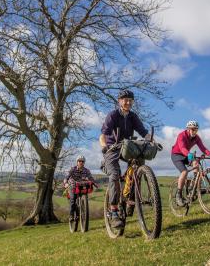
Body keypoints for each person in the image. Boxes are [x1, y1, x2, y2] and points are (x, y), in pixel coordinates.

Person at [99, 89, 148, 228]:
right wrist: (104, 147)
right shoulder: (113, 115)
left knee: (138, 163)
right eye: (125, 100)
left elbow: (143, 132)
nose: (128, 102)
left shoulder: (133, 116)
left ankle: (131, 198)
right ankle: (113, 211)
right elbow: (103, 135)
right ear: (119, 101)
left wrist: (152, 140)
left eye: (130, 100)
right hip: (112, 148)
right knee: (114, 175)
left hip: (127, 147)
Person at [171, 120, 210, 206]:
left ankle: (194, 185)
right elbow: (182, 148)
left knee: (196, 162)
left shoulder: (196, 138)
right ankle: (178, 195)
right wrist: (189, 154)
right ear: (188, 129)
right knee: (184, 172)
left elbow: (203, 148)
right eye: (192, 129)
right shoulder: (181, 135)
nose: (194, 131)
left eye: (196, 130)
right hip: (176, 155)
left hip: (186, 155)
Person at [63, 154, 95, 222]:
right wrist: (65, 183)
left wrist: (94, 183)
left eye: (82, 161)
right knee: (73, 200)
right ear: (77, 162)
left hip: (80, 185)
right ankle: (71, 215)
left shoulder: (86, 170)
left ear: (84, 163)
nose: (81, 162)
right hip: (72, 186)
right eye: (79, 161)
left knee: (84, 194)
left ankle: (82, 210)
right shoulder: (73, 169)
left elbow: (91, 178)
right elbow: (66, 177)